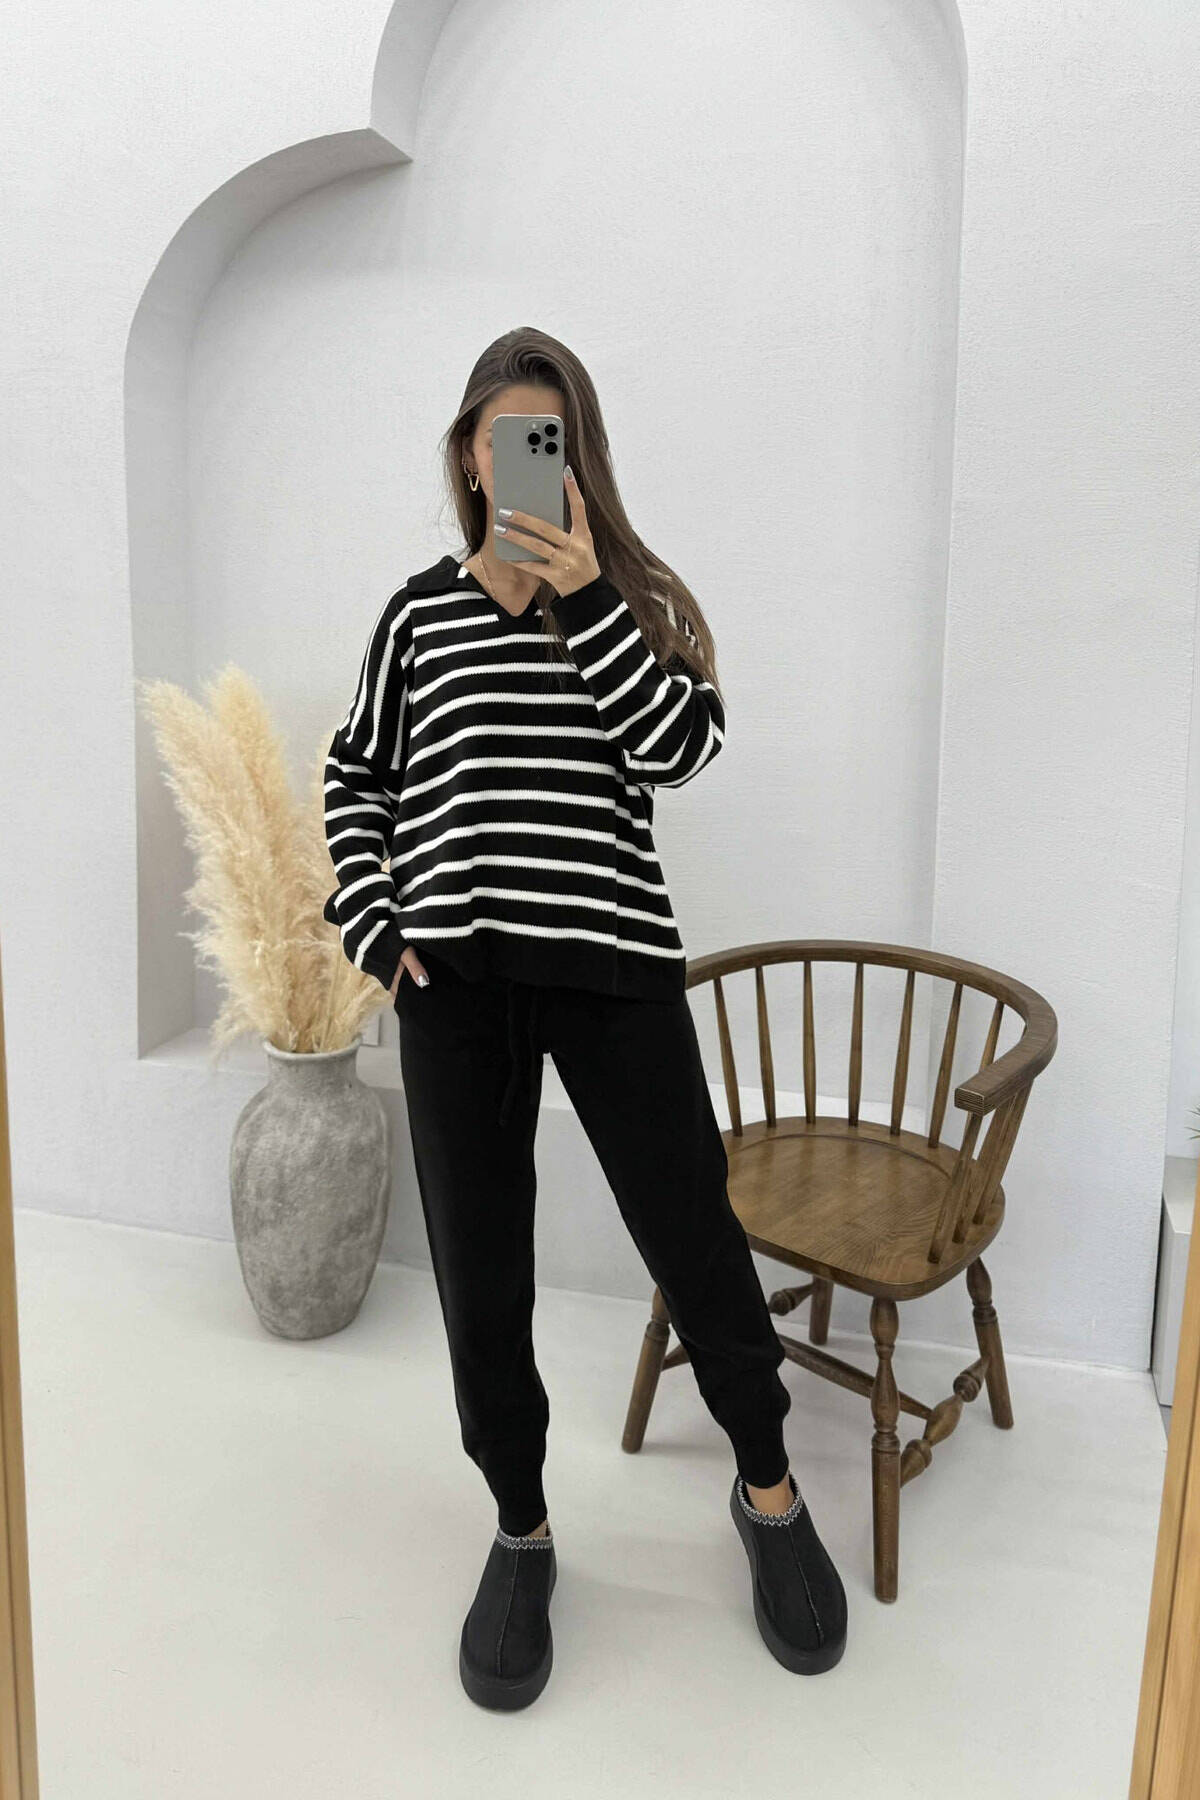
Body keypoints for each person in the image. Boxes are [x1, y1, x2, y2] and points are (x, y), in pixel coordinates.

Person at [323, 327, 847, 1708]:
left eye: (545, 440)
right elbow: (356, 775)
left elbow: (678, 749)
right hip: (456, 983)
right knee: (480, 1272)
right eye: (500, 437)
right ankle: (521, 1526)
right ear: (468, 457)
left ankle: (769, 1489)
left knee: (695, 1239)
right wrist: (376, 920)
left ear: (577, 459)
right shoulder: (416, 619)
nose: (520, 461)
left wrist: (590, 597)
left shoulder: (632, 604)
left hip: (613, 966)